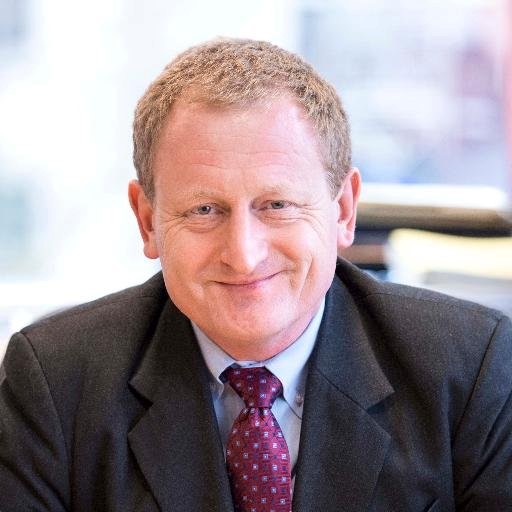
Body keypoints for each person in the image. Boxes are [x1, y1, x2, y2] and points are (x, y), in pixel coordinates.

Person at [1, 38, 511, 512]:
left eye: (277, 205)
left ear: (343, 210)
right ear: (147, 220)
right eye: (204, 210)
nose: (243, 256)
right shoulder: (55, 384)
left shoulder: (472, 371)